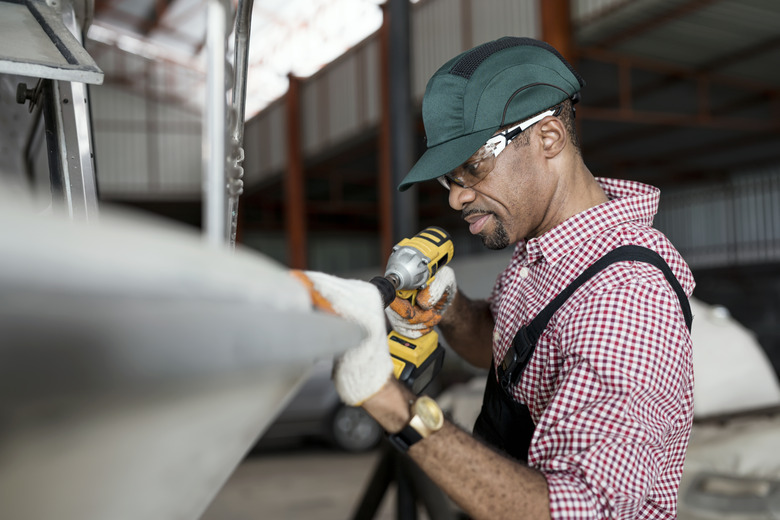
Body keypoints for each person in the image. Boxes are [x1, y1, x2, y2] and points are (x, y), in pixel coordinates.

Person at [294, 37, 695, 520]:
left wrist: (389, 400)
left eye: (473, 168)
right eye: (450, 178)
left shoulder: (626, 296)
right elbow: (502, 352)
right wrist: (451, 309)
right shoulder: (541, 250)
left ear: (548, 138)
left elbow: (582, 509)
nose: (456, 199)